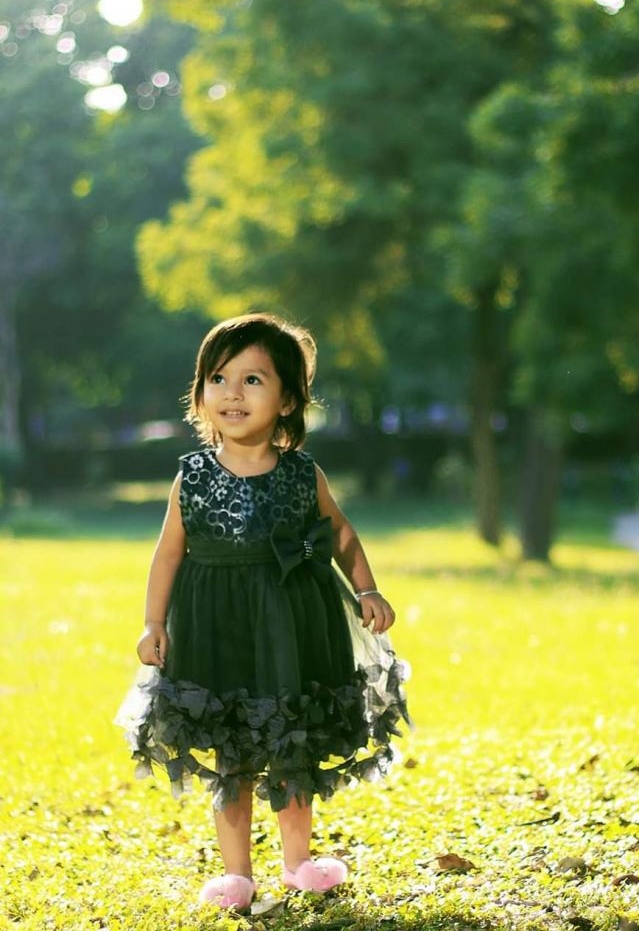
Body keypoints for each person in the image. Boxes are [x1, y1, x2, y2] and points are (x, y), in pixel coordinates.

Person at [113, 312, 414, 911]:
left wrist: (367, 589)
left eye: (252, 380)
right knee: (231, 750)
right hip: (215, 627)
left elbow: (340, 533)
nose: (233, 393)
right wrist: (153, 623)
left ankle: (298, 862)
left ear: (287, 401)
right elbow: (167, 554)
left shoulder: (302, 474)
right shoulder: (192, 477)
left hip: (291, 627)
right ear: (200, 394)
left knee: (289, 739)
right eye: (219, 378)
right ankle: (237, 875)